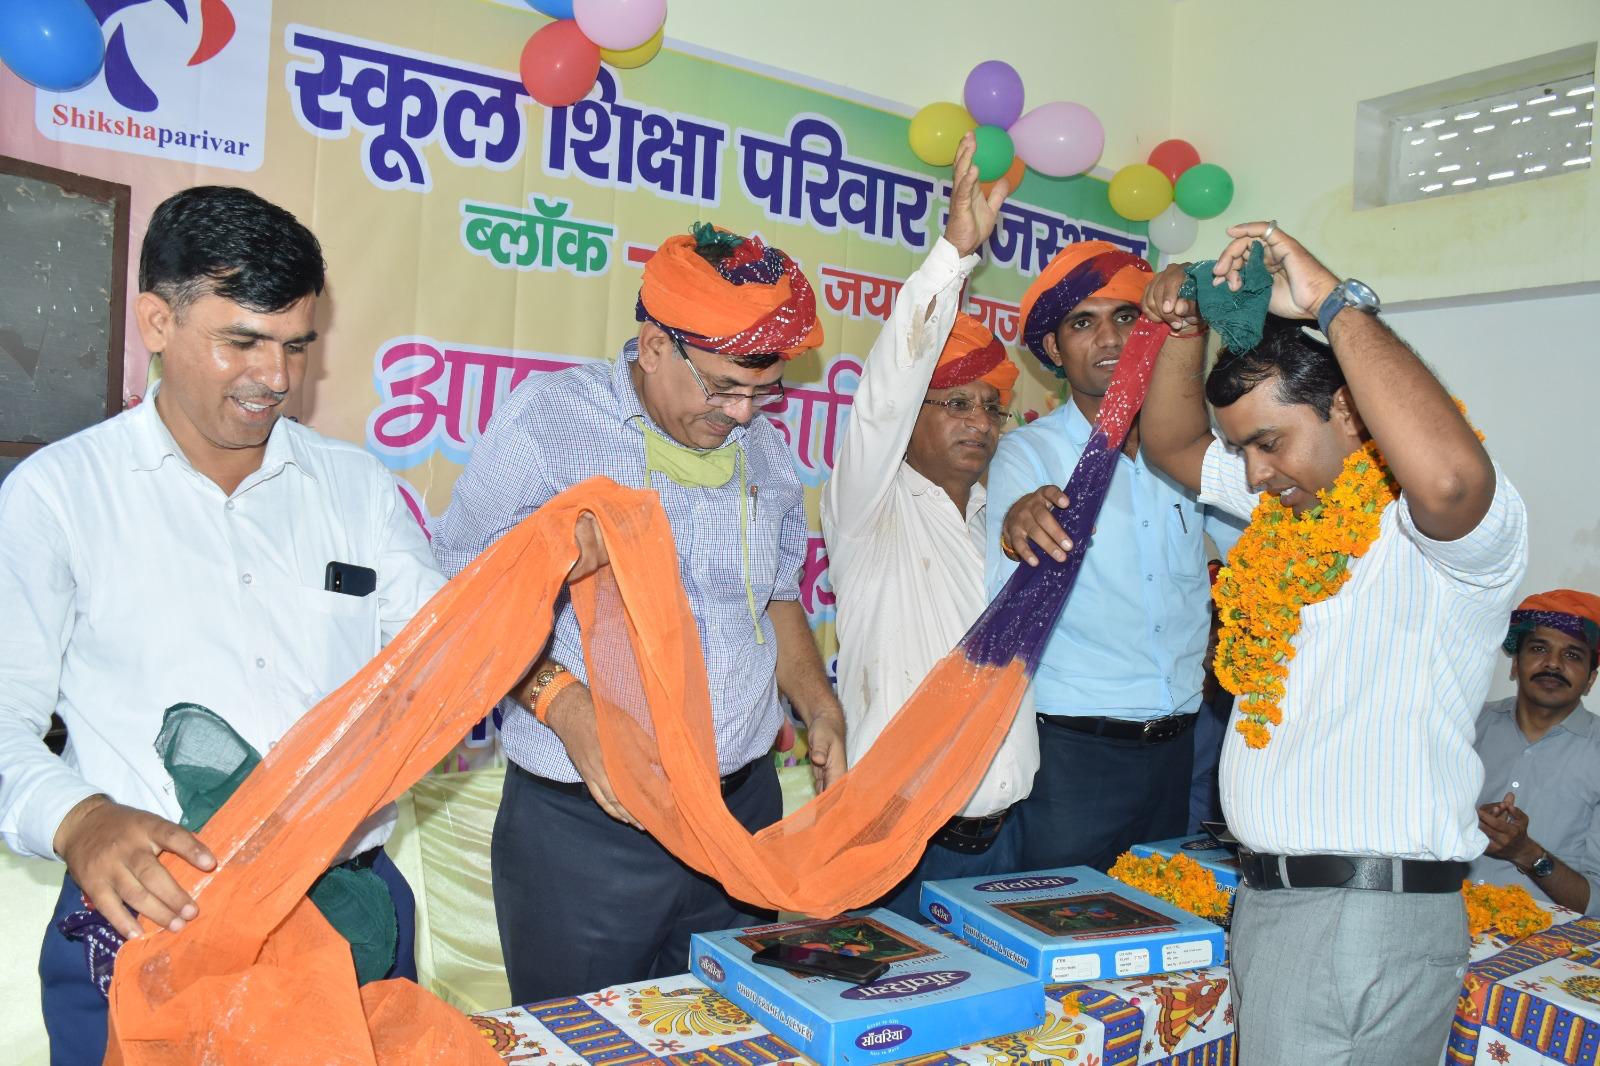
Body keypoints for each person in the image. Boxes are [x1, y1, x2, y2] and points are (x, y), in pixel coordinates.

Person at [0, 186, 448, 1064]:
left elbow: (442, 662)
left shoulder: (357, 491)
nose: (275, 379)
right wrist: (81, 819)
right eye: (241, 342)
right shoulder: (57, 497)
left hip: (349, 912)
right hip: (150, 924)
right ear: (156, 322)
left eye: (295, 346)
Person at [1138, 221, 1528, 1066]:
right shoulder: (1291, 517)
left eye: (1268, 443)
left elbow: (1449, 479)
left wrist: (1334, 302)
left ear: (1347, 411)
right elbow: (1171, 444)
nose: (1253, 474)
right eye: (1242, 450)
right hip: (1289, 907)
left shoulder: (1438, 541)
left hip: (1359, 917)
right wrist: (1182, 327)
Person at [431, 222, 848, 1003]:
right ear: (655, 345)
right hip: (591, 832)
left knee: (727, 1033)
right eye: (723, 387)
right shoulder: (550, 425)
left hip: (741, 814)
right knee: (581, 1042)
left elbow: (775, 595)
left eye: (763, 392)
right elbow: (460, 591)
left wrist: (818, 705)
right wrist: (564, 704)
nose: (743, 414)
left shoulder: (762, 448)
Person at [821, 134, 1036, 919]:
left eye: (992, 408)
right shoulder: (868, 510)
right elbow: (885, 392)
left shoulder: (998, 523)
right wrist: (953, 255)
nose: (979, 422)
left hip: (1005, 841)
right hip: (899, 845)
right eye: (956, 403)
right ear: (915, 416)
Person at [985, 240, 1241, 873]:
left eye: (1126, 317)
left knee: (1162, 921)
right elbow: (1007, 563)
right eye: (1083, 323)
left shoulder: (1197, 452)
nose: (1109, 338)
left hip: (1181, 744)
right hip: (1074, 752)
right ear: (1053, 349)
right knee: (1058, 918)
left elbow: (1258, 546)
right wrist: (1019, 525)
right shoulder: (1028, 455)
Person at [1470, 589, 1600, 914]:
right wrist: (1463, 822)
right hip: (1442, 925)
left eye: (1572, 655)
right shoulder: (1466, 727)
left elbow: (1597, 903)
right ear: (1515, 665)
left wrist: (1526, 852)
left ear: (1590, 680)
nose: (1553, 663)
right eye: (1539, 648)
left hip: (1548, 942)